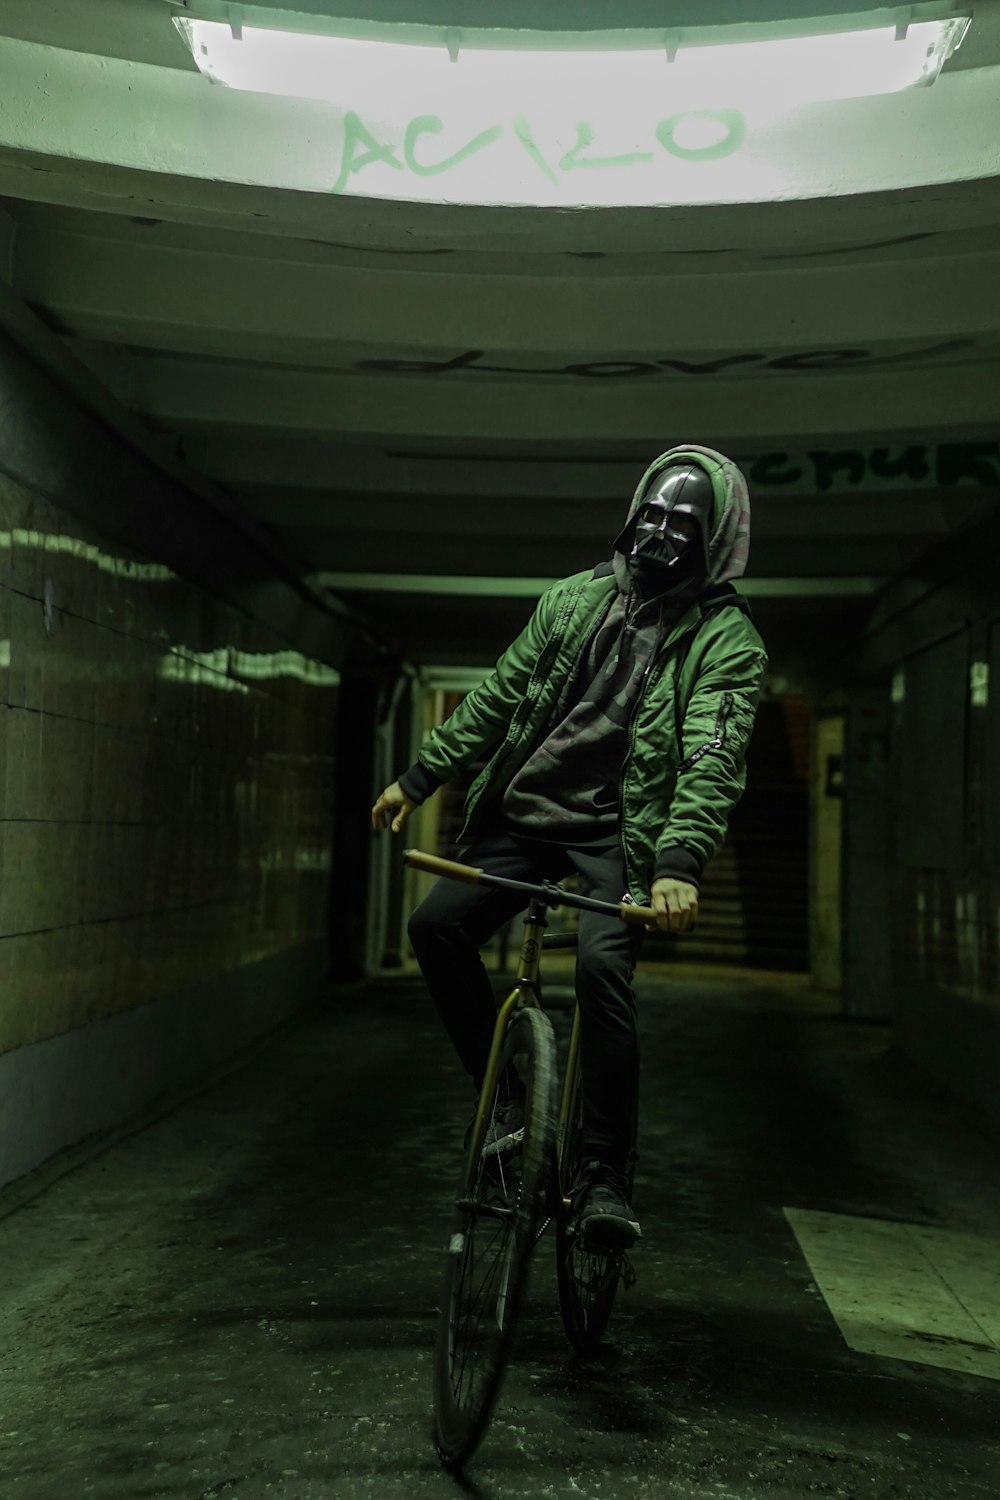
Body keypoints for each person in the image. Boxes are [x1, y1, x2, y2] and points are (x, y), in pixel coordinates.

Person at [371, 443, 766, 1250]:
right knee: (435, 929)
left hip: (620, 836)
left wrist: (677, 868)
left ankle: (601, 1179)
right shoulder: (573, 600)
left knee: (600, 969)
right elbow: (500, 693)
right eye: (649, 515)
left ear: (715, 539)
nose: (658, 533)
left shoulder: (727, 641)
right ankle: (513, 1103)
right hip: (527, 815)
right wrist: (419, 777)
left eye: (682, 524)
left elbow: (710, 756)